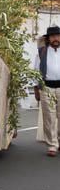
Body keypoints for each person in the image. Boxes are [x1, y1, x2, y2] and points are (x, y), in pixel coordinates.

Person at [34, 25, 60, 156]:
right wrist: (36, 89)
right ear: (48, 38)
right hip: (46, 88)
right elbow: (36, 70)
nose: (56, 38)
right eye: (53, 36)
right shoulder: (42, 52)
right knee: (49, 117)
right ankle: (52, 145)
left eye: (57, 36)